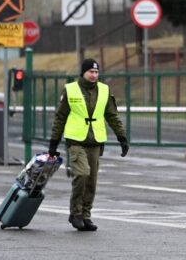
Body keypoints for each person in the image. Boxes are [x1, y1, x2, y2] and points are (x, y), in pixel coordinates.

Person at [48, 58, 129, 231]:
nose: (94, 75)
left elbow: (112, 116)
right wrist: (53, 143)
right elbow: (60, 117)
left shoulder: (104, 90)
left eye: (96, 72)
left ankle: (85, 216)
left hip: (95, 141)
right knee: (82, 174)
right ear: (83, 73)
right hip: (76, 141)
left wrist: (122, 137)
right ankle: (75, 213)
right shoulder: (70, 90)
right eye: (90, 72)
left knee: (92, 181)